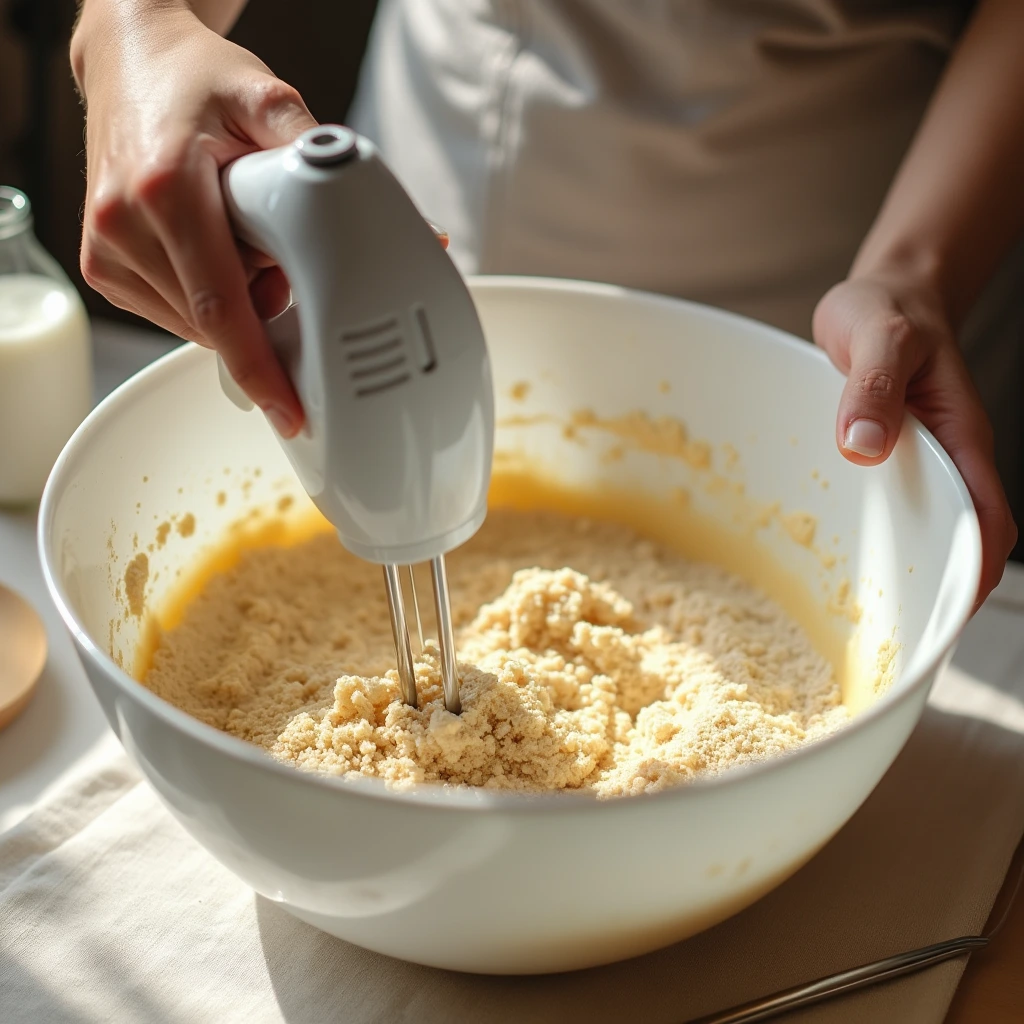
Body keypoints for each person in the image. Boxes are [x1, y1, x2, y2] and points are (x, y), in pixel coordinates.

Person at [69, 0, 1023, 606]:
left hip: (804, 301)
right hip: (422, 176)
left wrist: (913, 273)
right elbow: (140, 26)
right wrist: (132, 29)